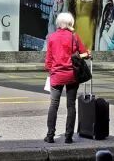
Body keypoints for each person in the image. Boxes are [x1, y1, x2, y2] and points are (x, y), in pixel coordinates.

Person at [43, 12, 90, 144]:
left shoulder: (52, 37)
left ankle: (50, 135)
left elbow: (48, 60)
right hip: (72, 75)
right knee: (71, 105)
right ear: (70, 23)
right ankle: (68, 136)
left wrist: (51, 70)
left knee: (54, 105)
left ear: (58, 23)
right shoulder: (74, 37)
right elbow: (84, 53)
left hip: (56, 75)